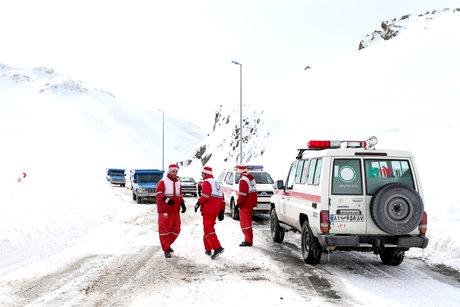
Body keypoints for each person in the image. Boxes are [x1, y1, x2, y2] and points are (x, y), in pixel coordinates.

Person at [155, 164, 187, 258]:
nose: (175, 173)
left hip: (175, 210)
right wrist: (166, 199)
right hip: (165, 210)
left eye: (176, 171)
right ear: (169, 171)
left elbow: (180, 195)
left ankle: (167, 245)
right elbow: (158, 193)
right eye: (173, 171)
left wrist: (182, 204)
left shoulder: (178, 182)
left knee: (176, 229)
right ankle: (166, 249)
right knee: (164, 230)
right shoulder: (163, 181)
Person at [194, 166, 225, 259]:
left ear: (206, 174)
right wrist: (221, 212)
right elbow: (222, 200)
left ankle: (217, 247)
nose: (201, 175)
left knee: (208, 230)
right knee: (208, 229)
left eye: (202, 174)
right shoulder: (217, 184)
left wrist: (198, 203)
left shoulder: (206, 182)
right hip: (215, 211)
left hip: (208, 210)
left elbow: (205, 196)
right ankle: (208, 249)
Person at [236, 165, 257, 247]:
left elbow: (242, 194)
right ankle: (249, 239)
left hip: (245, 204)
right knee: (248, 222)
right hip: (250, 203)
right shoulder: (251, 178)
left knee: (245, 223)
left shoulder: (243, 180)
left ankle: (248, 240)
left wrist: (238, 203)